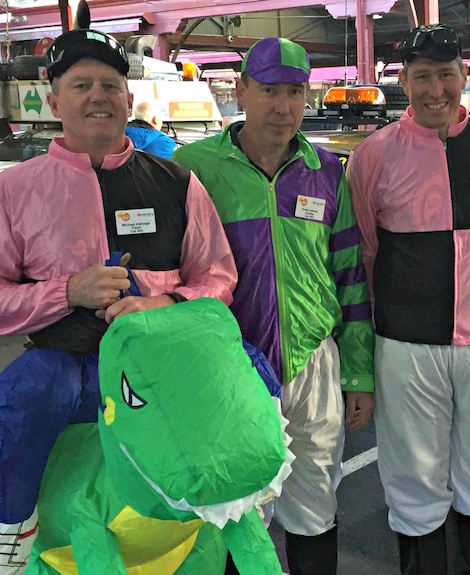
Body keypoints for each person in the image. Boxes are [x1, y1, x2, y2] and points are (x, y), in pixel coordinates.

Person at [0, 29, 238, 575]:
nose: (98, 96)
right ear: (54, 98)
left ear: (128, 99)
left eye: (110, 84)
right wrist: (67, 292)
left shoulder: (178, 183)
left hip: (162, 375)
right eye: (81, 84)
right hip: (69, 373)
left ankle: (240, 513)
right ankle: (5, 528)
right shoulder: (14, 191)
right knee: (16, 406)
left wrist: (164, 306)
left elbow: (218, 277)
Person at [171, 37, 375, 575]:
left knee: (315, 504)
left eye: (294, 92)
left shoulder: (327, 172)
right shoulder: (192, 168)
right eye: (268, 91)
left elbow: (350, 276)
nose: (283, 107)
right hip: (231, 371)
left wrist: (357, 374)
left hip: (314, 363)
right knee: (237, 511)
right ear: (240, 91)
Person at [346, 23, 470, 574]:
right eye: (422, 77)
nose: (435, 90)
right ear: (404, 80)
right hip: (406, 345)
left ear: (464, 79)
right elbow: (364, 251)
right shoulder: (374, 156)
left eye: (446, 75)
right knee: (412, 478)